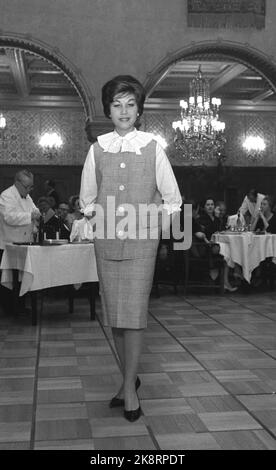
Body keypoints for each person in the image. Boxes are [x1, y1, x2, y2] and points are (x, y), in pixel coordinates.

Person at [80, 75, 182, 422]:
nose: (124, 111)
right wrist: (100, 225)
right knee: (116, 318)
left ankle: (128, 393)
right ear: (108, 110)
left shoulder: (153, 146)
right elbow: (87, 200)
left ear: (139, 110)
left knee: (134, 317)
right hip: (106, 242)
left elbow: (173, 200)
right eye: (116, 104)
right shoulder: (97, 148)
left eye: (130, 104)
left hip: (142, 245)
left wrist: (152, 232)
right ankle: (128, 381)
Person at [0, 169, 40, 312]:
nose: (29, 190)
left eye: (31, 187)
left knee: (21, 277)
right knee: (10, 278)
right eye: (27, 187)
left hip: (24, 243)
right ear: (17, 183)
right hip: (8, 244)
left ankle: (20, 306)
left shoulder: (27, 197)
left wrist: (36, 216)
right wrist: (31, 215)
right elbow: (9, 217)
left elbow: (35, 212)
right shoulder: (6, 196)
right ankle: (10, 309)